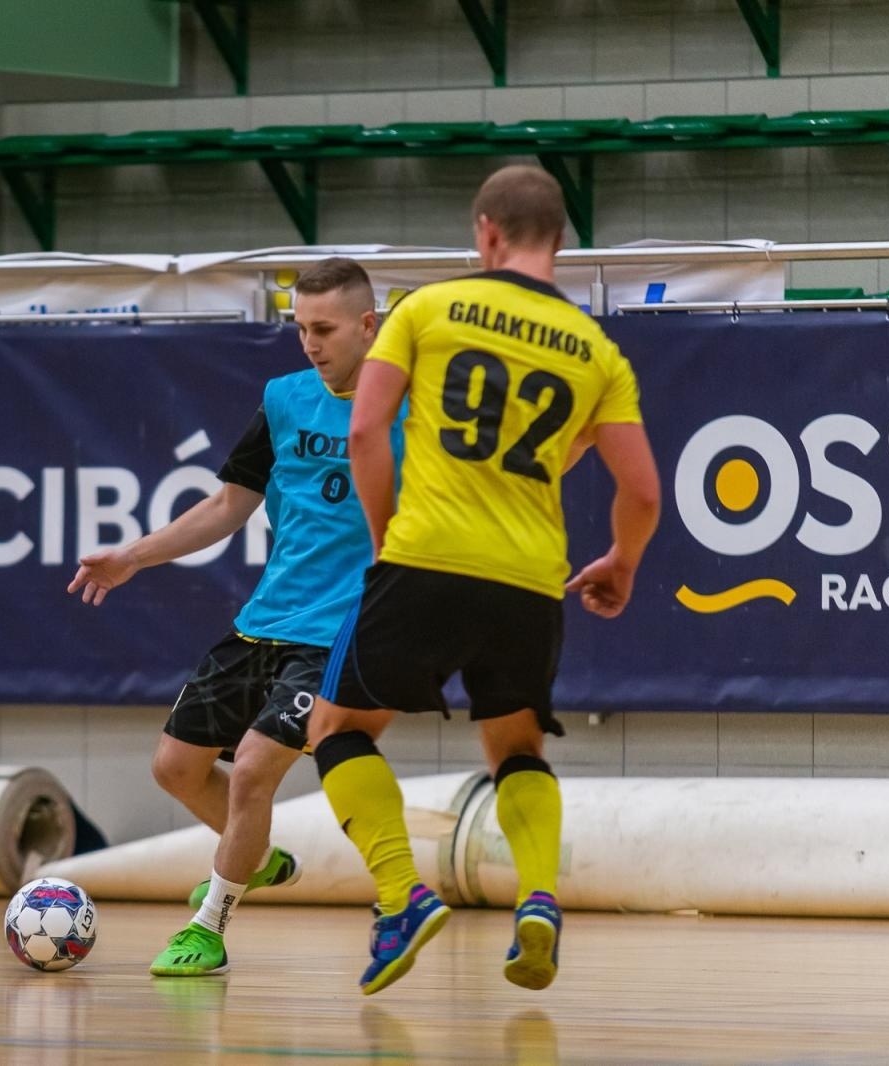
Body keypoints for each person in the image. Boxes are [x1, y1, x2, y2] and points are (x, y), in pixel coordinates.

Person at [307, 165, 662, 996]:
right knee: (515, 745)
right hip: (531, 583)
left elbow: (365, 431)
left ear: (488, 233)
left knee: (338, 728)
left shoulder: (427, 309)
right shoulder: (598, 351)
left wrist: (385, 535)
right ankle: (537, 898)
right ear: (558, 242)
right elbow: (641, 490)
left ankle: (402, 895)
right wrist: (621, 563)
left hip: (425, 558)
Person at [67, 257, 402, 977]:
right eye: (299, 328)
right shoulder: (283, 399)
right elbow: (227, 506)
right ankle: (259, 856)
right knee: (176, 768)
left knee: (251, 771)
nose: (310, 343)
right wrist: (135, 556)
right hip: (265, 619)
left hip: (343, 631)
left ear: (369, 325)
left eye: (324, 329)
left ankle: (210, 926)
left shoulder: (410, 405)